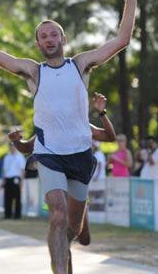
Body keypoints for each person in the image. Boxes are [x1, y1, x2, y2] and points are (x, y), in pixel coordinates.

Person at [0, 0, 137, 274]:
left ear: (63, 39)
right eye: (43, 36)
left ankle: (73, 243)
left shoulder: (80, 65)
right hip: (49, 154)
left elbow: (122, 40)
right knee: (56, 216)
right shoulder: (33, 72)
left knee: (75, 230)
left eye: (54, 34)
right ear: (38, 44)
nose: (49, 39)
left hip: (81, 156)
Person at [8, 92, 115, 257]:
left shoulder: (82, 125)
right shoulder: (48, 129)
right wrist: (16, 141)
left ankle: (82, 209)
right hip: (59, 188)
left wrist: (102, 113)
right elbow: (27, 147)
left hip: (77, 184)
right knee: (62, 233)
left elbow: (110, 137)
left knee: (84, 239)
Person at [2, 144, 26, 219]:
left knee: (17, 197)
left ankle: (17, 215)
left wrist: (21, 180)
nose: (11, 148)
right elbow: (5, 170)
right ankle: (7, 214)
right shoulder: (6, 157)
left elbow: (22, 170)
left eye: (13, 146)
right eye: (10, 146)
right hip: (8, 178)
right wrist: (3, 180)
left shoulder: (20, 157)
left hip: (16, 178)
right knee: (7, 197)